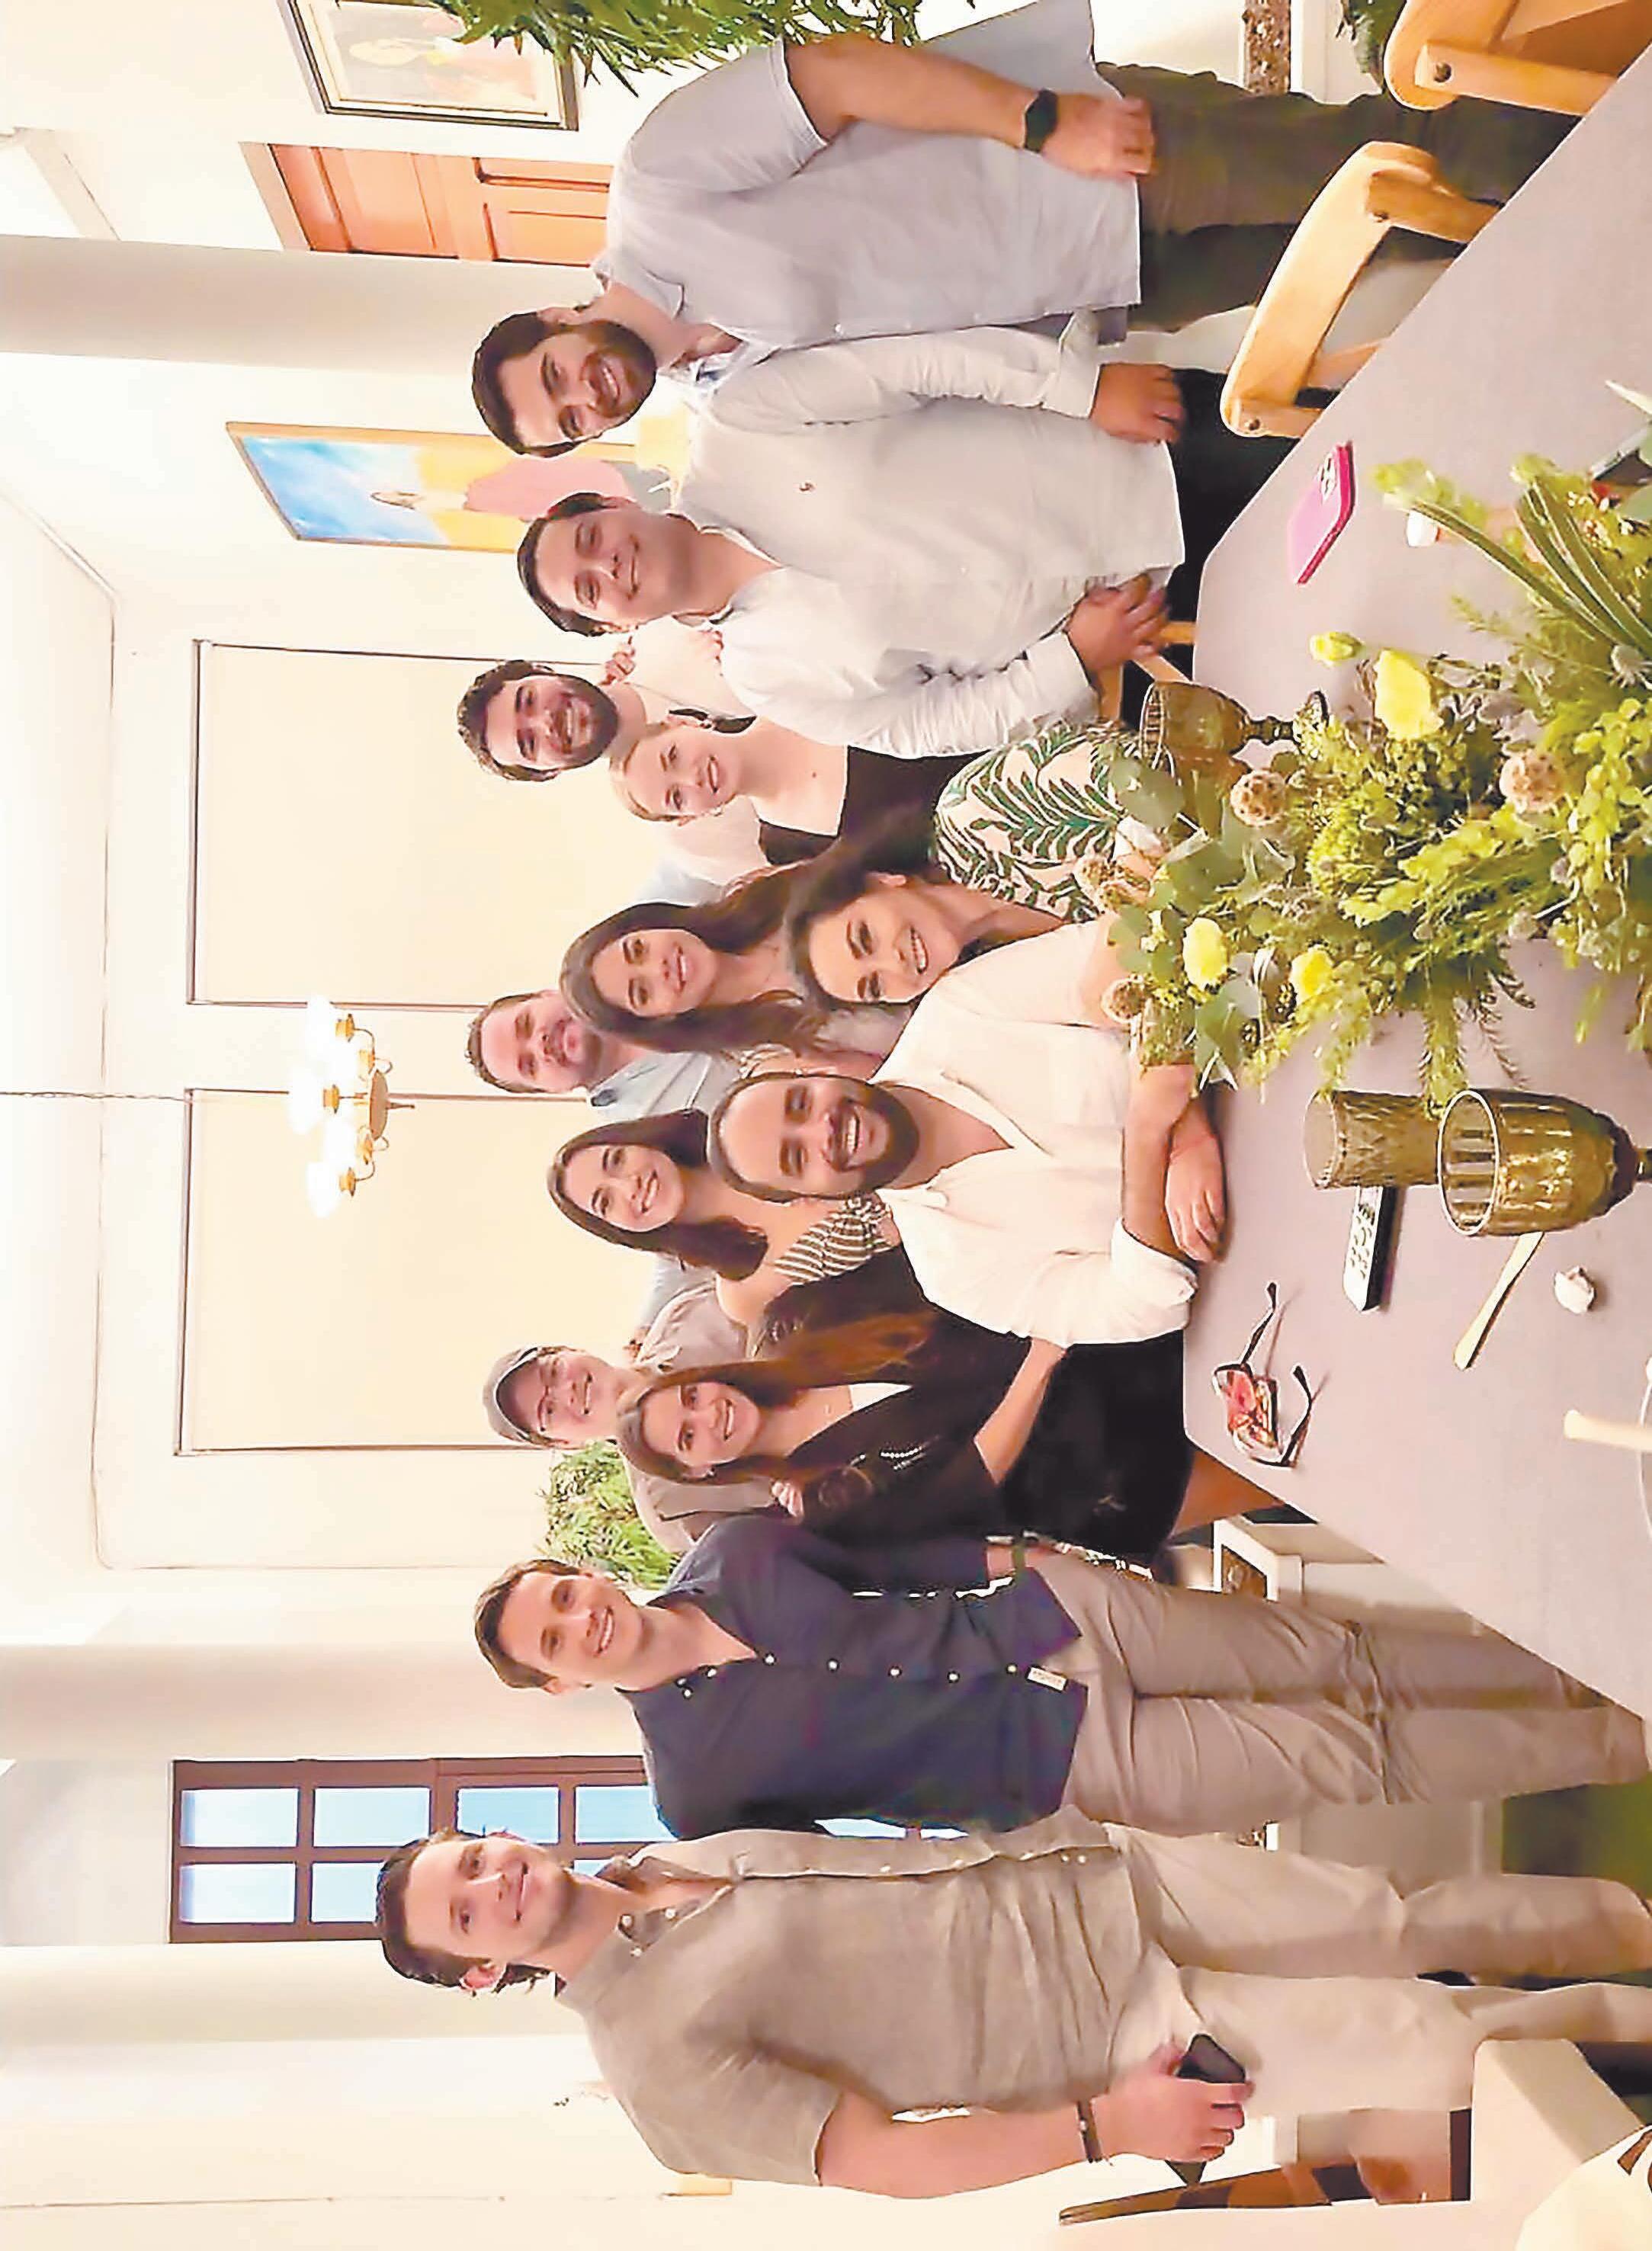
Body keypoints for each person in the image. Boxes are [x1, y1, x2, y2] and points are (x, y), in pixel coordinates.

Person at [468, 0, 1569, 445]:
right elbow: (916, 367)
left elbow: (837, 73)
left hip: (1096, 165)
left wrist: (1043, 123)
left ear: (554, 318)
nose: (584, 396)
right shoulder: (726, 394)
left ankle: (1616, 122)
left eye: (555, 376)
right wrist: (1080, 380)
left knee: (1404, 154)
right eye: (569, 422)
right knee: (1395, 232)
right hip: (1103, 288)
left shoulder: (657, 184)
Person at [379, 1812, 1652, 2194]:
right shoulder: (656, 2077)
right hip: (1119, 2035)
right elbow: (886, 2160)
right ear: (481, 1972)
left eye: (474, 1856)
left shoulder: (682, 1849)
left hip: (1101, 1876)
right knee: (1436, 2040)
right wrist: (1106, 2125)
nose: (495, 1882)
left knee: (1401, 1910)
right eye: (466, 1912)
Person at [467, 1529, 1647, 1841]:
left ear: (583, 1571)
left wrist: (1029, 1557)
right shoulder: (693, 1790)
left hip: (1057, 1616)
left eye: (562, 1594)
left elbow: (890, 1549)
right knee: (1353, 1754)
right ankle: (1623, 1745)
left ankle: (1606, 1665)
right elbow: (843, 1864)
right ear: (559, 1685)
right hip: (1059, 1762)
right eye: (556, 1641)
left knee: (1340, 1653)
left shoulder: (731, 1552)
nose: (581, 1619)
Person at [515, 332, 1287, 760]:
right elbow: (927, 726)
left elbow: (919, 363)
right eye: (589, 587)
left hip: (1141, 452)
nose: (606, 563)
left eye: (590, 538)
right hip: (1146, 619)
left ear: (613, 504)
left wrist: (1081, 390)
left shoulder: (739, 423)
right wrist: (1071, 659)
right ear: (613, 626)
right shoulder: (768, 681)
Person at [707, 922, 1225, 1342]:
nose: (822, 1129)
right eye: (796, 1157)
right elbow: (1144, 1308)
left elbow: (1137, 950)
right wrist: (1147, 1138)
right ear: (811, 1200)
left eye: (800, 1104)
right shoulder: (950, 1272)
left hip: (1250, 1071)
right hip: (1238, 1254)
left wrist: (1189, 1130)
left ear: (815, 1073)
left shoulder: (957, 1009)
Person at [613, 1313, 1265, 1563]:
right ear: (700, 1470)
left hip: (1107, 1365)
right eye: (690, 1436)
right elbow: (963, 1487)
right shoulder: (820, 1503)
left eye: (692, 1397)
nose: (710, 1415)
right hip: (1096, 1480)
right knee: (1280, 1458)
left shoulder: (803, 1336)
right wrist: (1039, 1364)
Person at [483, 1281, 773, 1553]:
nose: (567, 1391)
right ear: (565, 1444)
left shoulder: (686, 1317)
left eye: (554, 1371)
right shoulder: (668, 1507)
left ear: (571, 1350)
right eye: (549, 1410)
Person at [548, 1108, 897, 1327]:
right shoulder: (742, 1295)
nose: (629, 1185)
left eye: (617, 1161)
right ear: (618, 1231)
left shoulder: (751, 1123)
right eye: (606, 1202)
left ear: (638, 1140)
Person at [559, 870, 901, 1063]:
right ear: (659, 1020)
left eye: (639, 950)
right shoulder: (771, 1059)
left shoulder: (756, 892)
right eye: (643, 992)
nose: (659, 968)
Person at [611, 711, 973, 864]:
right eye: (677, 797)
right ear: (688, 818)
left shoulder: (788, 693)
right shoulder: (787, 847)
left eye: (673, 757)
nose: (692, 779)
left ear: (683, 723)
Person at [465, 981, 739, 1118]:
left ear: (547, 994)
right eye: (529, 1065)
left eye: (526, 1024)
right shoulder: (639, 1140)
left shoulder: (631, 953)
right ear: (551, 1091)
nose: (540, 1044)